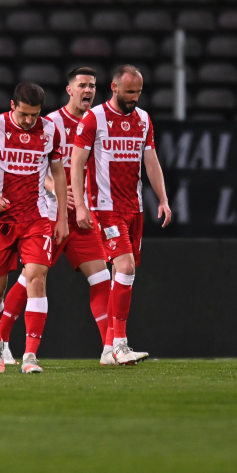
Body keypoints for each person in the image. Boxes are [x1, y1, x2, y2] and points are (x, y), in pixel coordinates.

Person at [0, 68, 115, 366]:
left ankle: (110, 348)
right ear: (69, 90)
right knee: (29, 280)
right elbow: (47, 169)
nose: (88, 90)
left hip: (83, 216)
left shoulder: (97, 123)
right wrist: (56, 191)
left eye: (92, 85)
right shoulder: (51, 124)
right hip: (49, 214)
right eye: (82, 85)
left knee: (102, 278)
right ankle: (2, 344)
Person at [70, 65, 170, 366]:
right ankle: (120, 344)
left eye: (138, 92)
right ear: (113, 88)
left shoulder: (143, 120)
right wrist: (83, 206)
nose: (135, 98)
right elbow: (76, 164)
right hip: (105, 209)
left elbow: (150, 161)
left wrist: (163, 198)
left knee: (123, 275)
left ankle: (108, 349)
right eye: (129, 92)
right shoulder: (94, 119)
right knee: (124, 267)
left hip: (134, 208)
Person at [0, 82, 68, 374]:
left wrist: (61, 217)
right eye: (24, 114)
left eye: (34, 115)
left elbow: (58, 174)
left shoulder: (50, 130)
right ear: (13, 106)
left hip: (36, 218)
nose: (29, 121)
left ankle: (30, 356)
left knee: (37, 276)